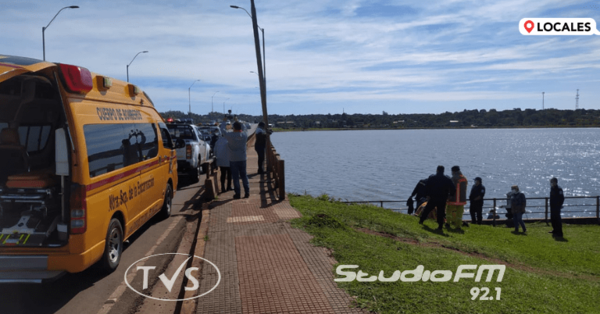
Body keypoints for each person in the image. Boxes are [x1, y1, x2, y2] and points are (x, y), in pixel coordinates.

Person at [419, 165, 455, 231]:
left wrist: (427, 195)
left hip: (433, 197)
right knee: (440, 212)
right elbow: (453, 188)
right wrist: (450, 195)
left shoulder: (432, 177)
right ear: (443, 171)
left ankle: (421, 220)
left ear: (437, 170)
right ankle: (440, 226)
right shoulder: (447, 179)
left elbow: (427, 187)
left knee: (427, 209)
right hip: (442, 198)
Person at [220, 118, 249, 199]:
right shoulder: (244, 135)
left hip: (233, 159)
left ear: (233, 128)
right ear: (240, 128)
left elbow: (222, 130)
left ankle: (238, 193)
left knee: (235, 177)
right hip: (243, 158)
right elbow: (245, 129)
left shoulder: (230, 135)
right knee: (244, 176)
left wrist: (224, 121)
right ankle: (247, 192)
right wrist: (238, 120)